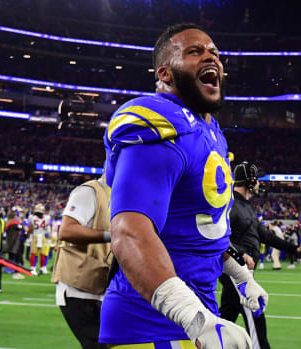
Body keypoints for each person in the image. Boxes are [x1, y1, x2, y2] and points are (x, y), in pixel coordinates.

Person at [100, 23, 253, 348]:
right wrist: (191, 315)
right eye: (195, 52)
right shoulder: (161, 123)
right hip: (151, 324)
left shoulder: (212, 133)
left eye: (214, 52)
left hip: (197, 314)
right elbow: (129, 231)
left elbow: (204, 230)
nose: (210, 57)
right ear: (165, 73)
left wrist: (241, 276)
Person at [220, 161, 301, 349]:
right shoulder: (230, 205)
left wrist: (295, 249)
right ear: (250, 181)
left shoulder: (246, 207)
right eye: (257, 180)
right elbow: (219, 235)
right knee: (255, 314)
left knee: (225, 322)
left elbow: (265, 236)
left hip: (241, 271)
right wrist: (241, 254)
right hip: (237, 271)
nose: (259, 185)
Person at [51, 176, 112, 349]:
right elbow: (67, 230)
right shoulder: (89, 192)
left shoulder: (120, 195)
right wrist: (111, 235)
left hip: (102, 287)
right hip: (79, 289)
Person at [27, 203, 51, 275]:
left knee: (33, 253)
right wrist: (49, 237)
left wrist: (28, 235)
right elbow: (47, 228)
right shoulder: (46, 218)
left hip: (35, 236)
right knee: (43, 253)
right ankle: (42, 268)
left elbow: (30, 228)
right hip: (42, 236)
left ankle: (33, 268)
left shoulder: (32, 218)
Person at [4, 212, 24, 280]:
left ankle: (9, 269)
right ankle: (16, 272)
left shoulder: (8, 223)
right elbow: (21, 228)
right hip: (14, 243)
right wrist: (20, 222)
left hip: (9, 242)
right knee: (17, 257)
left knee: (11, 257)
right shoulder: (14, 224)